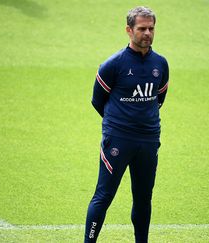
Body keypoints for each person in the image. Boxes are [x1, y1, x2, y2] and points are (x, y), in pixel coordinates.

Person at [84, 6, 169, 243]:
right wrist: (118, 124)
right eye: (142, 28)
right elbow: (97, 100)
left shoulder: (160, 64)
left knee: (143, 198)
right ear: (129, 30)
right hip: (118, 140)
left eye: (151, 28)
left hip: (149, 141)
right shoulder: (113, 65)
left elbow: (158, 100)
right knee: (104, 196)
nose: (147, 33)